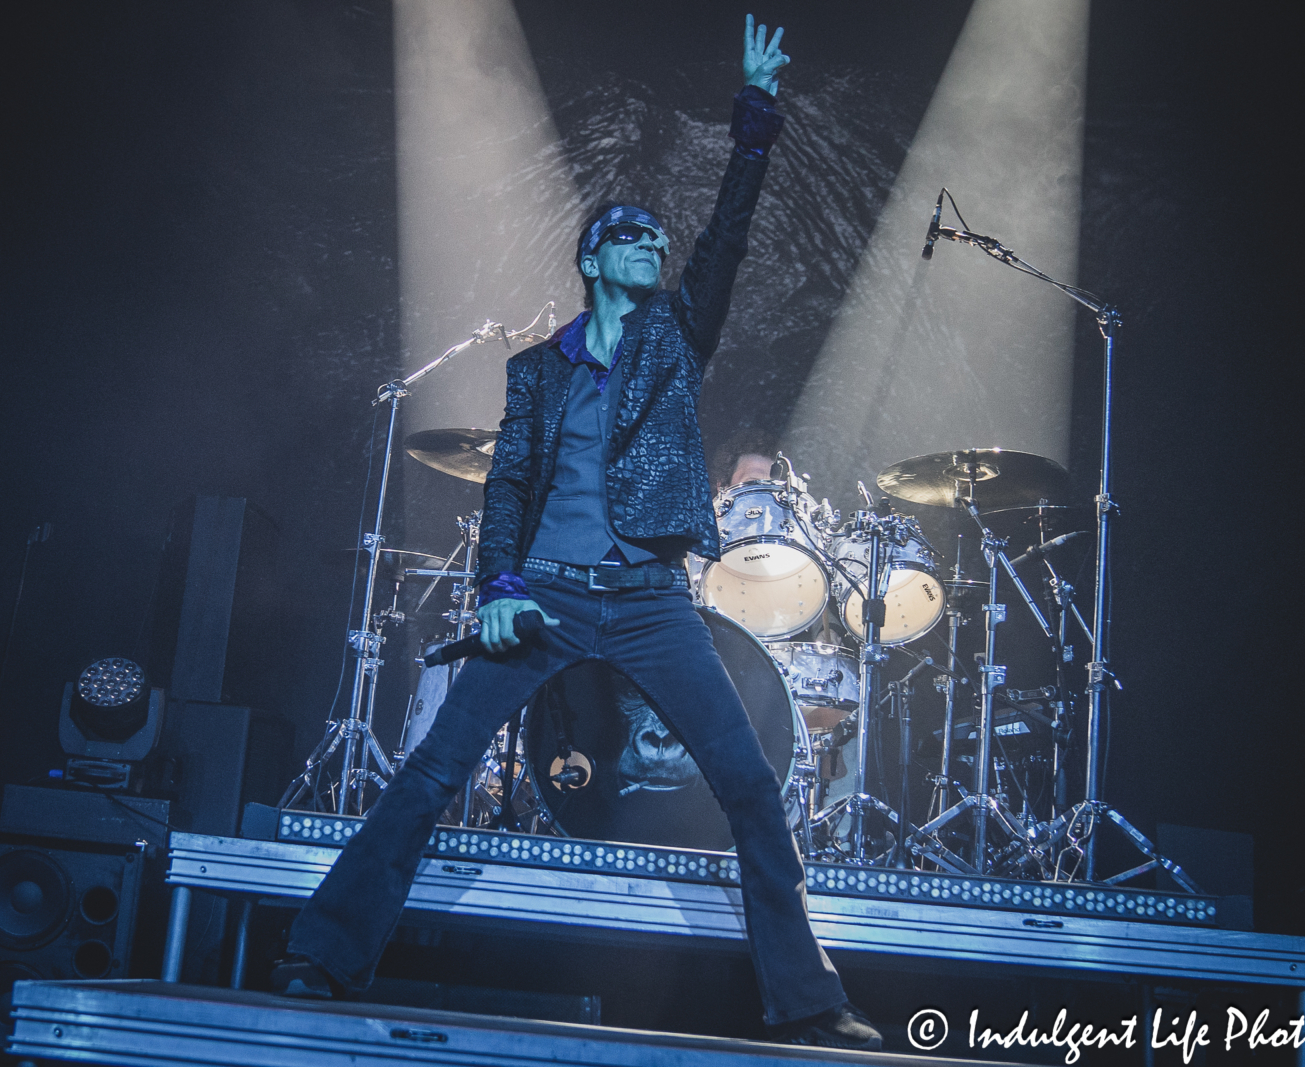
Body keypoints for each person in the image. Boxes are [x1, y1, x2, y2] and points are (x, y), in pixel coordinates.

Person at [273, 16, 881, 1051]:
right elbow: (507, 489)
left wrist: (756, 117)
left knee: (747, 780)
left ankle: (809, 998)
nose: (653, 246)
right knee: (427, 772)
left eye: (656, 238)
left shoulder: (674, 340)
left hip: (648, 601)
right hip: (542, 598)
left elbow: (727, 233)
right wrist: (497, 584)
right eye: (635, 236)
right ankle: (319, 955)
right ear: (595, 259)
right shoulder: (538, 372)